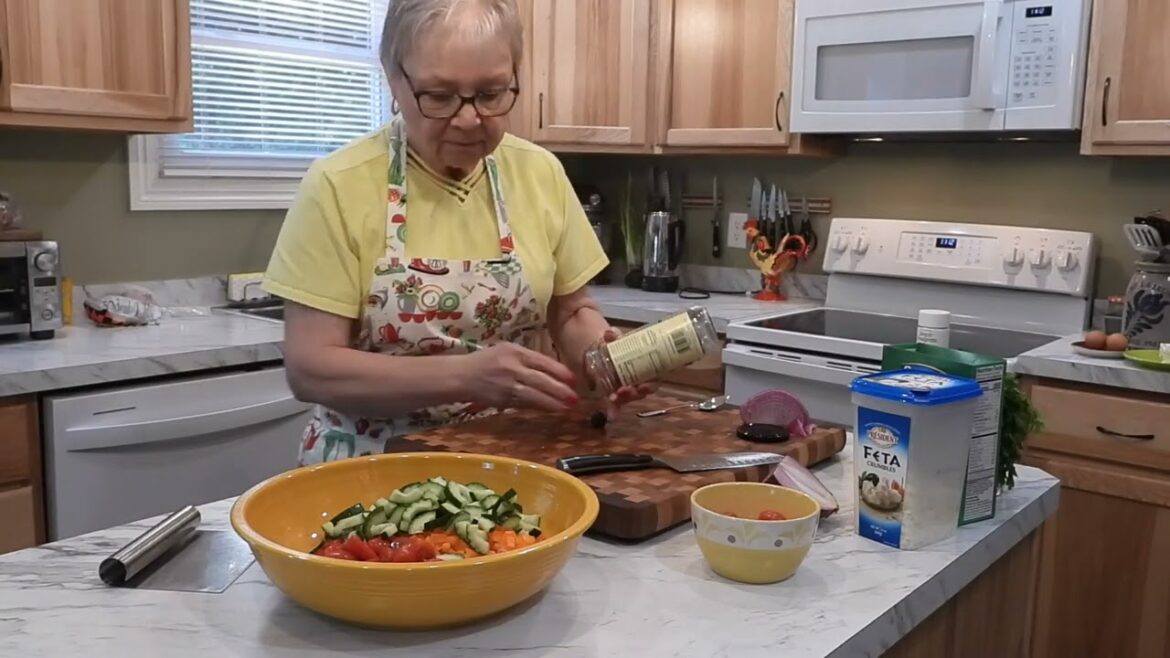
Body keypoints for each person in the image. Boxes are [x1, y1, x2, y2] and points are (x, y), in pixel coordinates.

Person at [262, 0, 651, 465]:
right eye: (440, 96)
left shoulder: (539, 172)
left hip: (514, 462)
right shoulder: (338, 184)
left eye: (491, 94)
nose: (469, 119)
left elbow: (569, 311)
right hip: (369, 472)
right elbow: (312, 369)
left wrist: (603, 358)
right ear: (394, 80)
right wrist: (464, 376)